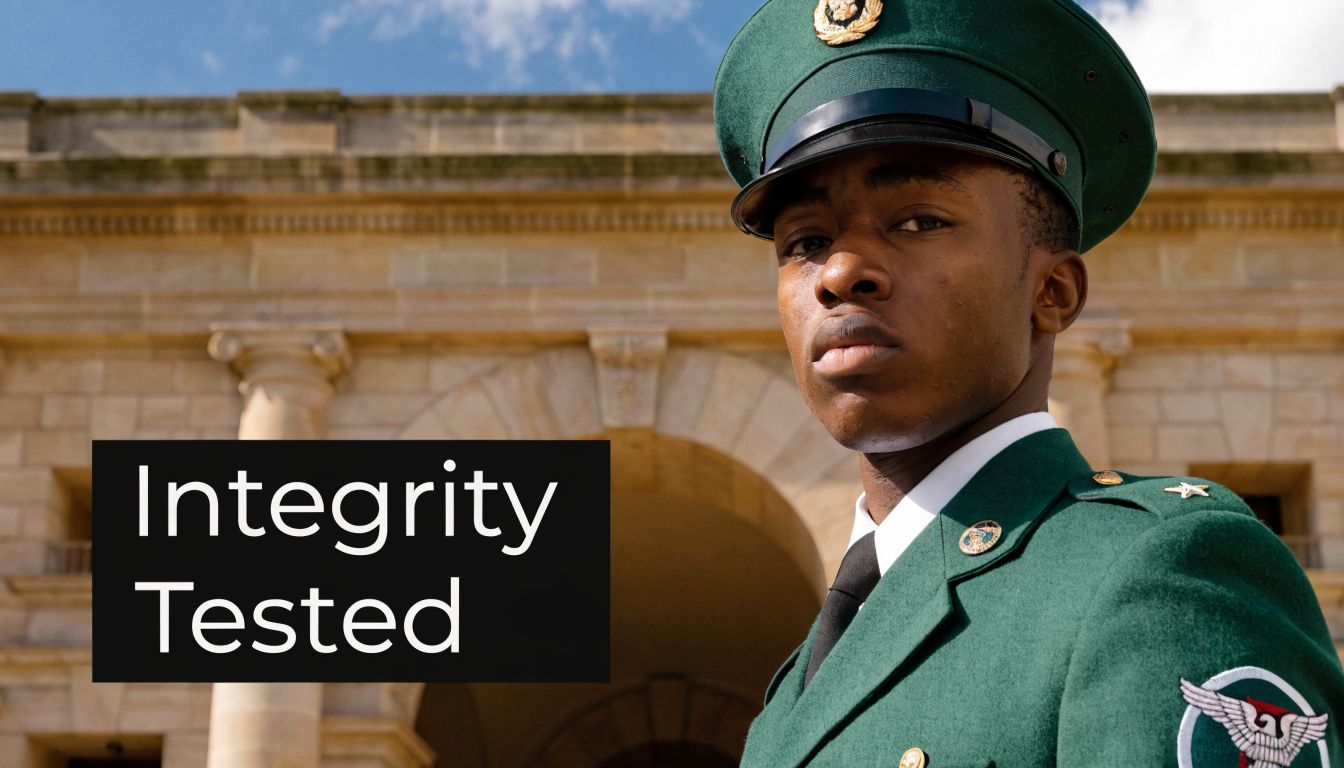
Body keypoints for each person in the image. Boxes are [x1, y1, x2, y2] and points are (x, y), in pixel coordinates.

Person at [711, 0, 1344, 765]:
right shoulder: (787, 702)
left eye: (919, 221)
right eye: (806, 241)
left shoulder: (1160, 574)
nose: (842, 272)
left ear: (1052, 293)